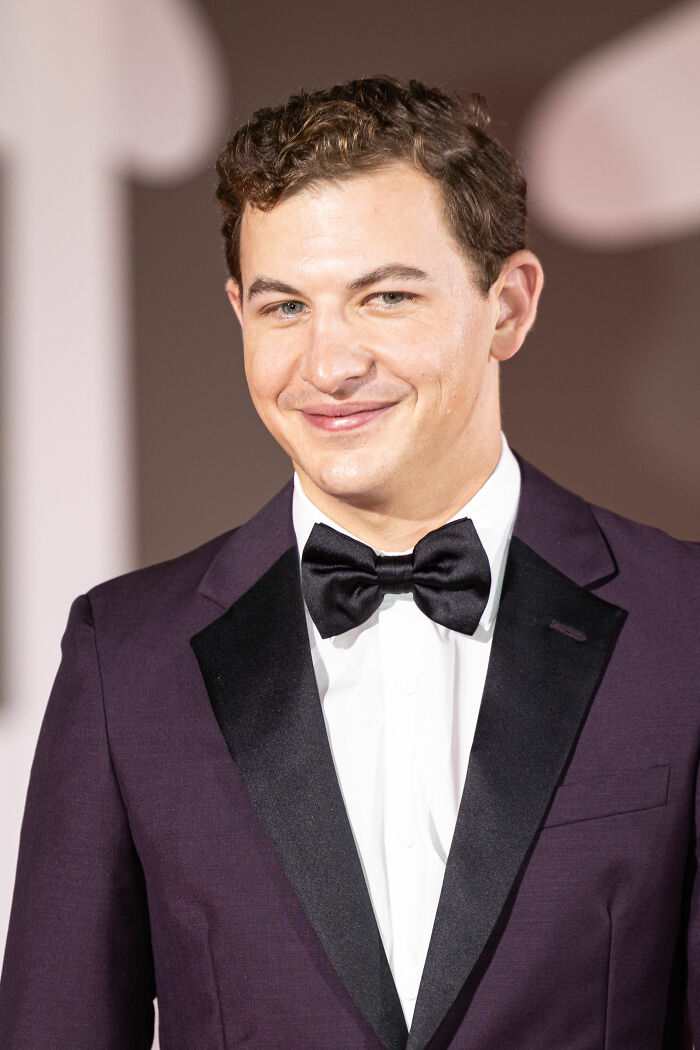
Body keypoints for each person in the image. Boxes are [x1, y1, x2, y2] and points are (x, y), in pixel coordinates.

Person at [0, 74, 698, 1050]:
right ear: (238, 310)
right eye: (285, 308)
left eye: (384, 298)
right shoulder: (126, 658)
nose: (328, 365)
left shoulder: (685, 628)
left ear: (507, 306)